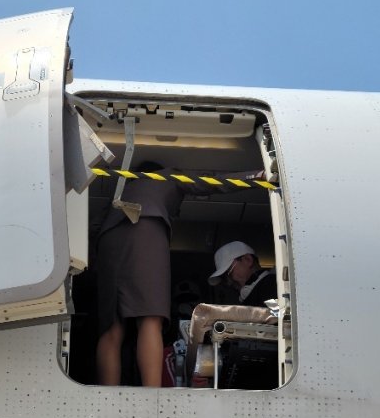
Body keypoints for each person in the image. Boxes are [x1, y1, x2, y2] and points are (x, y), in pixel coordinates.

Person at [94, 164, 263, 387]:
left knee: (112, 328)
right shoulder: (165, 176)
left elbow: (94, 226)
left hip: (107, 242)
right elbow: (210, 180)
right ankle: (152, 395)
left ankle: (107, 393)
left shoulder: (118, 195)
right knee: (150, 319)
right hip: (145, 229)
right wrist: (256, 175)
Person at [209, 240, 278, 305]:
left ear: (248, 260)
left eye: (229, 272)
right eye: (224, 279)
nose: (229, 282)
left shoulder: (271, 287)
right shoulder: (252, 296)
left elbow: (279, 315)